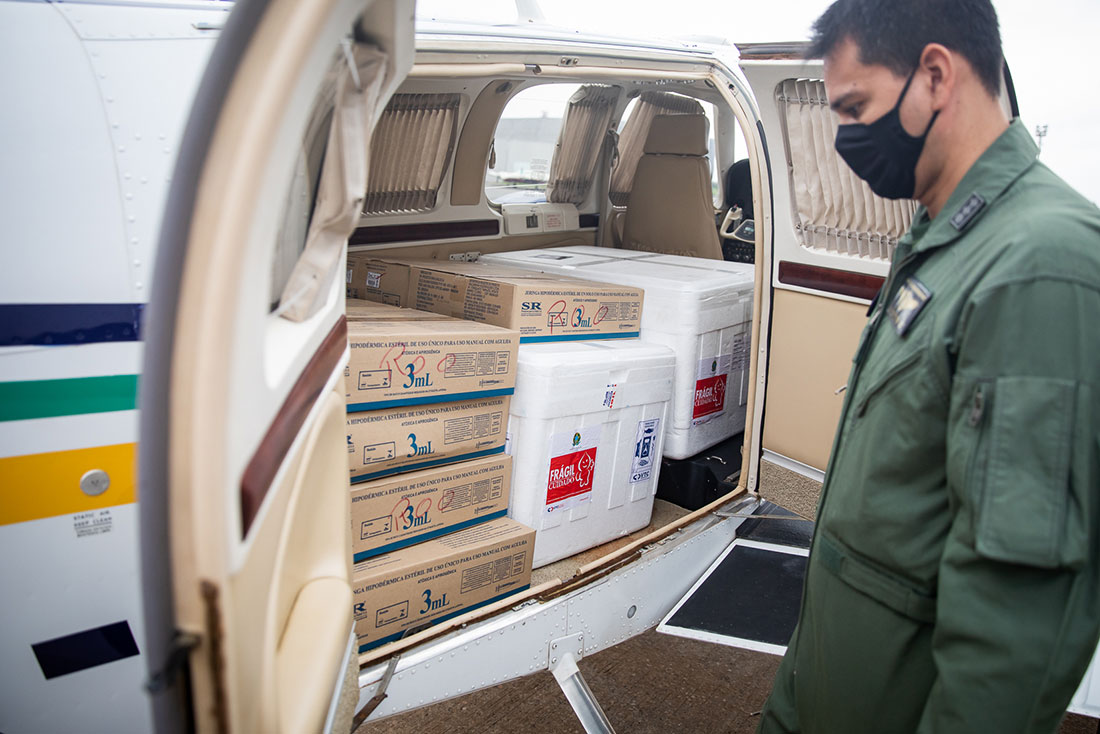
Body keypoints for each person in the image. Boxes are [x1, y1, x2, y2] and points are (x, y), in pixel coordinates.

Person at [756, 1, 1100, 732]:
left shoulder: (1041, 264)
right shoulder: (941, 236)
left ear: (936, 75)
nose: (847, 138)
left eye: (856, 108)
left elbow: (1013, 614)